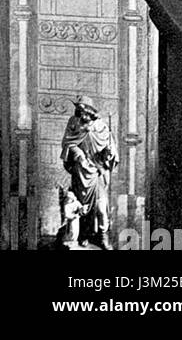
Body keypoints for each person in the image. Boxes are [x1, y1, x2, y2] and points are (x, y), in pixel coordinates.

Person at [59, 94, 118, 249]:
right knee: (82, 207)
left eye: (84, 111)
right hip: (80, 173)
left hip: (97, 172)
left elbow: (109, 150)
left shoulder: (101, 126)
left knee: (101, 208)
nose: (81, 114)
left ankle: (103, 237)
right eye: (79, 110)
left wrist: (109, 153)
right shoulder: (74, 123)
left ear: (91, 112)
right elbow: (68, 143)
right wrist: (78, 154)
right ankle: (84, 235)